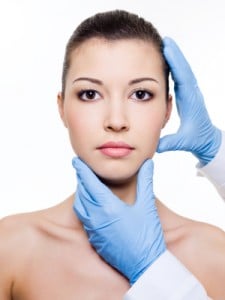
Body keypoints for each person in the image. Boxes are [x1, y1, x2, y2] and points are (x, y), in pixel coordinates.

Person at [0, 10, 224, 300]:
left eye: (141, 94)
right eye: (90, 94)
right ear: (62, 107)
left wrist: (151, 266)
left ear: (168, 110)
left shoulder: (213, 254)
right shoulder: (12, 247)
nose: (116, 121)